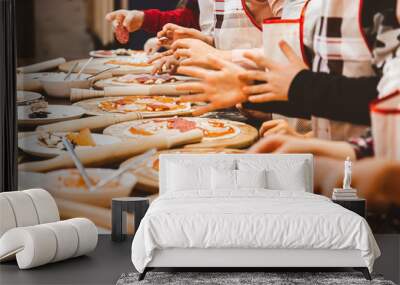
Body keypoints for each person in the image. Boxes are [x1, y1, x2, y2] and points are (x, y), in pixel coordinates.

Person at [176, 0, 400, 141]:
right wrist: (251, 91)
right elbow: (317, 80)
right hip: (343, 160)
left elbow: (386, 98)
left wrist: (292, 89)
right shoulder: (317, 7)